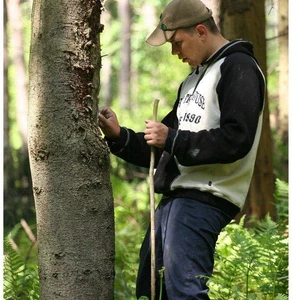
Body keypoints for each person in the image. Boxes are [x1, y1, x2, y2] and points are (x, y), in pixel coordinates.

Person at [98, 0, 265, 298]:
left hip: (204, 198)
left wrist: (173, 139)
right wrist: (119, 136)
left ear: (201, 31)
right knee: (150, 288)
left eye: (177, 43)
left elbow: (237, 138)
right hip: (175, 198)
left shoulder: (239, 67)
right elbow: (160, 148)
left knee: (183, 291)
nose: (175, 53)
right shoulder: (191, 81)